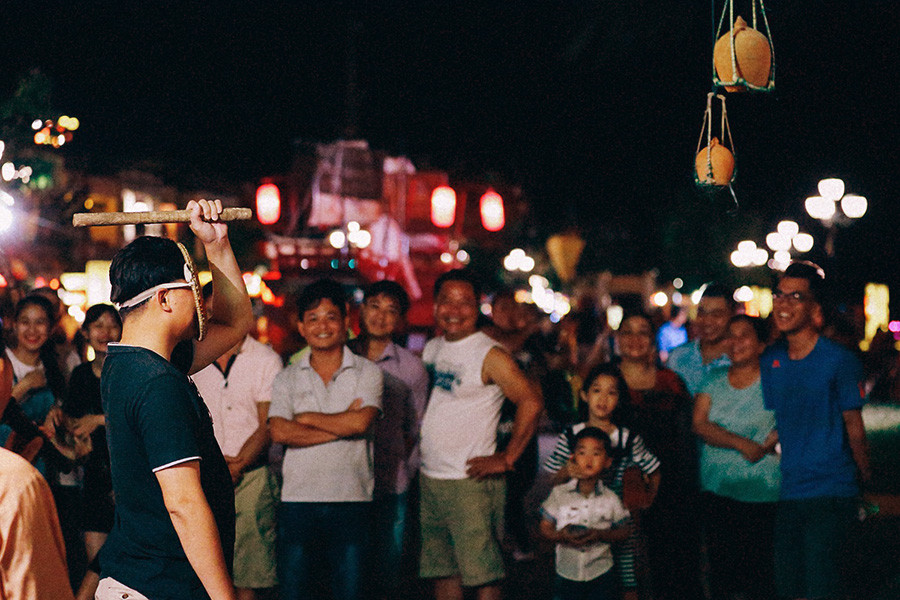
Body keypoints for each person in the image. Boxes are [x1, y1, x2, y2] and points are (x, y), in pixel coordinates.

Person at [97, 199, 253, 600]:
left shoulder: (127, 362)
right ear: (165, 299)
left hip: (142, 578)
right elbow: (183, 502)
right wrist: (224, 596)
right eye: (192, 290)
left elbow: (235, 324)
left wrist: (216, 245)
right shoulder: (157, 382)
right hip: (159, 585)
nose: (201, 303)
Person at [418, 269, 543, 600]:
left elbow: (530, 400)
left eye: (465, 303)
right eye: (447, 301)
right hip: (433, 477)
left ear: (478, 307)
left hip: (471, 482)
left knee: (484, 576)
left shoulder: (491, 354)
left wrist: (507, 457)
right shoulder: (432, 349)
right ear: (435, 306)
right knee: (443, 572)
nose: (454, 310)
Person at [268, 278, 383, 600]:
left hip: (353, 499)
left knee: (350, 591)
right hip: (297, 501)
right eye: (313, 318)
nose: (323, 326)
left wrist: (305, 420)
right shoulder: (286, 376)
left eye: (331, 317)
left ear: (347, 323)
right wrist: (342, 423)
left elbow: (361, 423)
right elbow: (279, 431)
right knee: (296, 592)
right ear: (301, 327)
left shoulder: (367, 372)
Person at [760, 261, 870, 600]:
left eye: (796, 296)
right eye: (779, 294)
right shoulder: (772, 361)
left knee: (822, 585)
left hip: (831, 490)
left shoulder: (839, 360)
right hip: (790, 489)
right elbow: (785, 417)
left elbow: (854, 426)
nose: (783, 303)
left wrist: (864, 481)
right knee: (789, 584)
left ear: (815, 308)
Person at [192, 282, 283, 600]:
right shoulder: (188, 356)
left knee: (249, 571)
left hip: (251, 477)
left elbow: (267, 423)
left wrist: (237, 465)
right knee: (202, 566)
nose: (218, 313)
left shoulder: (265, 359)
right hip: (199, 476)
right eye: (211, 306)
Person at [543, 363, 660, 600]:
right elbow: (551, 478)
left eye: (612, 392)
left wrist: (645, 503)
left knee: (628, 579)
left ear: (619, 399)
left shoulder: (627, 438)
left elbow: (654, 469)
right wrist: (568, 472)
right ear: (585, 395)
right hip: (580, 518)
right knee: (578, 578)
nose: (603, 399)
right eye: (596, 390)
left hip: (617, 518)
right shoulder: (570, 435)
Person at [347, 279, 429, 598]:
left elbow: (415, 426)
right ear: (360, 310)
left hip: (389, 481)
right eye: (374, 306)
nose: (380, 316)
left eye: (391, 310)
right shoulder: (339, 355)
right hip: (344, 481)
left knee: (386, 569)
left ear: (401, 319)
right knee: (346, 567)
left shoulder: (412, 369)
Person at [693, 315, 780, 600]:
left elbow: (794, 416)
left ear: (761, 344)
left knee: (761, 576)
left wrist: (771, 440)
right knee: (722, 575)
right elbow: (700, 424)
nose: (736, 341)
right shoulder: (713, 381)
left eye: (745, 335)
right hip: (718, 491)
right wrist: (744, 444)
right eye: (731, 335)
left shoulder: (774, 381)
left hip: (763, 493)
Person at [616, 312, 702, 600]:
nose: (635, 339)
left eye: (643, 332)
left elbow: (686, 438)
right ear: (618, 340)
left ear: (653, 342)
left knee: (672, 567)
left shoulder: (671, 382)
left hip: (670, 487)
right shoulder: (606, 381)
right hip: (615, 486)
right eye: (628, 331)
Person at [539, 427, 632, 600]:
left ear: (607, 461)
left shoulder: (611, 499)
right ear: (572, 458)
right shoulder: (559, 494)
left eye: (596, 454)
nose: (588, 459)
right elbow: (544, 527)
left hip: (601, 574)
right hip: (567, 573)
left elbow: (624, 531)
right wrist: (561, 536)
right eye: (582, 453)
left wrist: (600, 534)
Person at [667, 283, 734, 396]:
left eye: (716, 314)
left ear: (732, 315)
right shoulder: (678, 357)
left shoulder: (738, 360)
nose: (707, 321)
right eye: (702, 313)